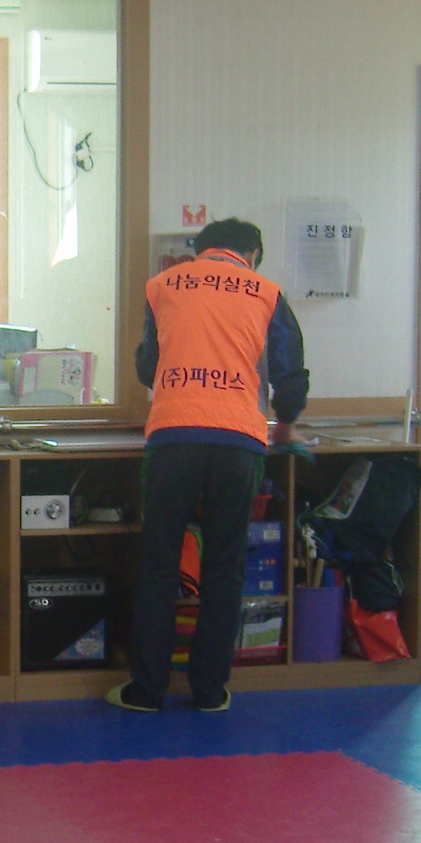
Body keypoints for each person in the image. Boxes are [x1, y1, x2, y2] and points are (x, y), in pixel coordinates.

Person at [112, 217, 310, 713]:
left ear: (200, 250)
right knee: (224, 567)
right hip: (239, 442)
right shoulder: (266, 293)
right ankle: (209, 691)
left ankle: (147, 691)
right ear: (252, 254)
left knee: (159, 566)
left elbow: (147, 366)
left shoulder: (163, 285)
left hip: (173, 437)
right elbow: (290, 373)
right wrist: (285, 423)